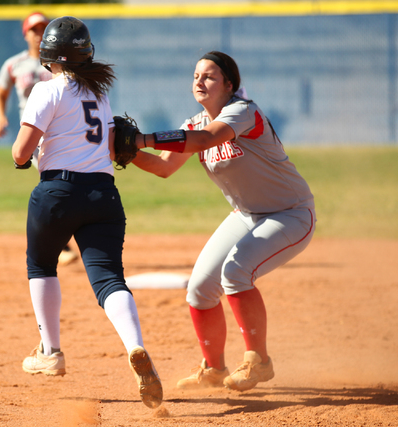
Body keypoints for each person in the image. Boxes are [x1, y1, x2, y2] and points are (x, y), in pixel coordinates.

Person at [131, 51, 316, 392]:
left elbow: (205, 141)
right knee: (200, 289)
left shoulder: (243, 112)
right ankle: (214, 369)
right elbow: (163, 167)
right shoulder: (193, 123)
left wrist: (141, 138)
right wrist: (125, 151)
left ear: (230, 85)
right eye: (196, 76)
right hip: (247, 214)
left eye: (210, 76)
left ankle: (258, 361)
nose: (199, 81)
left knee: (236, 272)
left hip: (290, 212)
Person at [12, 16, 163, 409]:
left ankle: (51, 351)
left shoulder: (46, 91)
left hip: (58, 192)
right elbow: (112, 145)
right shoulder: (100, 94)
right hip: (103, 194)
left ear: (47, 54)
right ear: (86, 52)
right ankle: (136, 346)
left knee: (42, 264)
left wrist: (29, 156)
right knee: (109, 279)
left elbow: (20, 153)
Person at [0, 11, 79, 266]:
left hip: (62, 129)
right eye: (34, 29)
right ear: (25, 34)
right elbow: (0, 94)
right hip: (33, 131)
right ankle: (62, 241)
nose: (38, 33)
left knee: (57, 184)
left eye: (43, 28)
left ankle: (63, 236)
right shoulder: (14, 64)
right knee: (54, 182)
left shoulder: (61, 61)